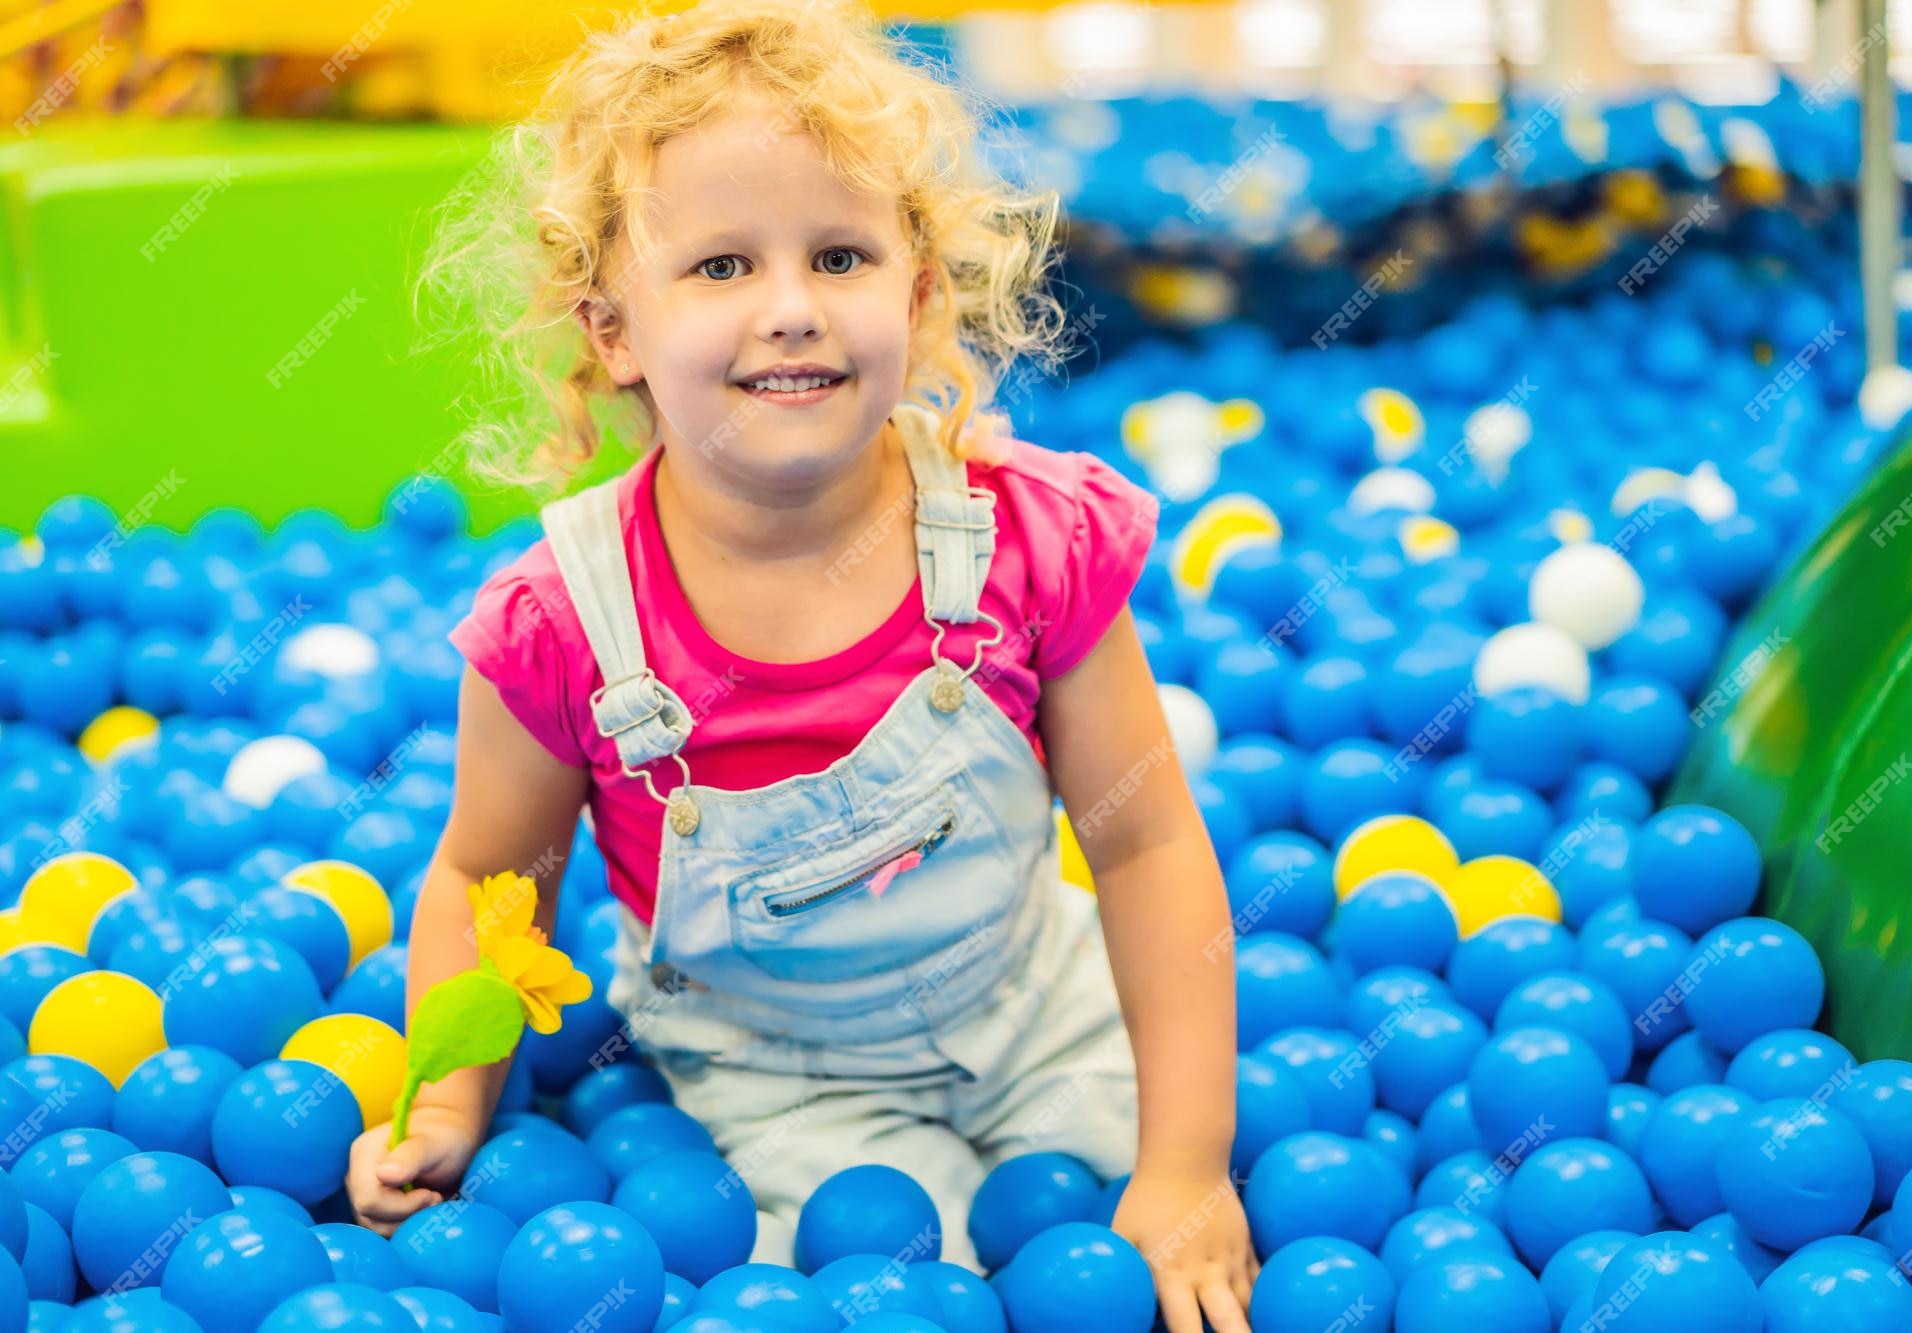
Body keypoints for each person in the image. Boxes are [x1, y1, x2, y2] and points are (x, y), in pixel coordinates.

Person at [345, 2, 1253, 1326]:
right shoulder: (569, 623)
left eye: (839, 254)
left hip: (1035, 1004)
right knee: (897, 1281)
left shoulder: (1025, 544)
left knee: (1129, 1249)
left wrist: (1186, 1164)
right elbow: (489, 876)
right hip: (784, 1076)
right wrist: (444, 1097)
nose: (788, 311)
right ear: (611, 329)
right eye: (718, 267)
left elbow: (1146, 845)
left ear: (921, 290)